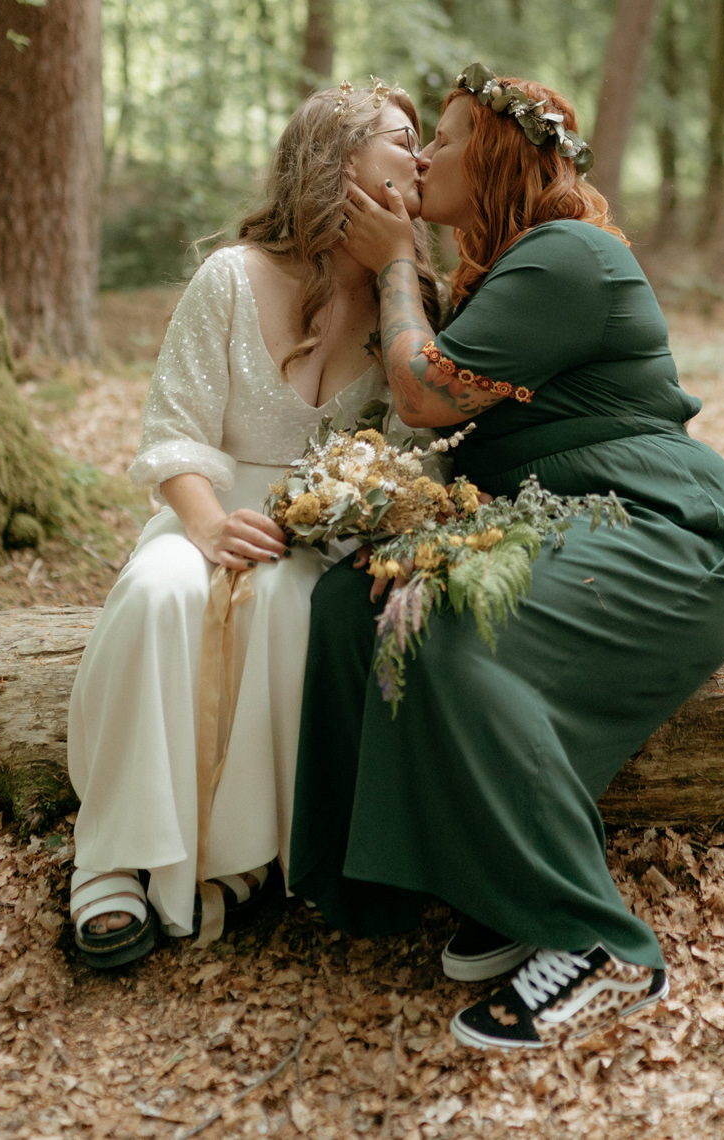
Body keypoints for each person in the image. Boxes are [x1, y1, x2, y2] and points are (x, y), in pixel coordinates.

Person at [290, 63, 724, 1051]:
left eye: (446, 138)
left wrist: (393, 267)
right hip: (555, 520)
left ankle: (599, 943)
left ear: (499, 155)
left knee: (452, 623)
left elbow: (426, 392)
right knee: (350, 601)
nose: (422, 156)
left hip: (656, 527)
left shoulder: (567, 256)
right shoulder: (506, 274)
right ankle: (440, 876)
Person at [66, 81, 440, 969]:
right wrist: (204, 528)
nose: (422, 160)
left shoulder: (409, 303)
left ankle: (238, 859)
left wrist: (354, 519)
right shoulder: (229, 278)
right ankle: (113, 863)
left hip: (324, 537)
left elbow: (409, 458)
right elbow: (174, 436)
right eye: (402, 139)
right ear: (340, 158)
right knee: (158, 594)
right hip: (206, 509)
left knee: (292, 607)